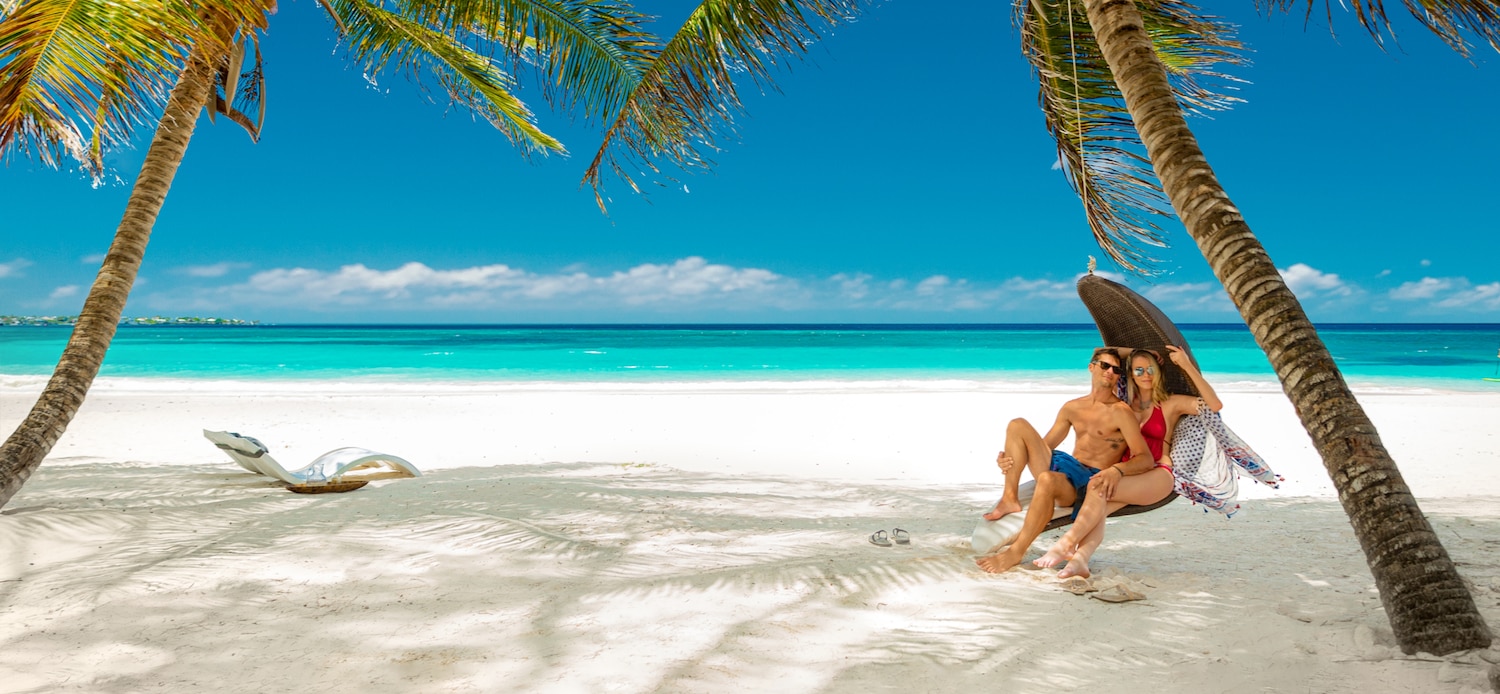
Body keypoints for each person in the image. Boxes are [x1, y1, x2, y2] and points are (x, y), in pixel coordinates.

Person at [1032, 345, 1223, 578]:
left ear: (1159, 371)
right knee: (1098, 507)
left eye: (1151, 369)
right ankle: (1080, 561)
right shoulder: (1125, 404)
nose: (1146, 375)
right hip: (1129, 473)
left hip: (1157, 473)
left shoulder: (1171, 403)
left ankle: (1063, 545)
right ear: (1130, 374)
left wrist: (1183, 363)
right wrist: (1136, 354)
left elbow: (1214, 405)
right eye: (1138, 370)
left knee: (1097, 486)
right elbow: (1099, 350)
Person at [976, 348, 1152, 574]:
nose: (1110, 372)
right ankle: (1009, 498)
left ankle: (1016, 552)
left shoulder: (1120, 412)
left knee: (1048, 479)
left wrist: (1117, 470)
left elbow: (1145, 458)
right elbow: (1045, 445)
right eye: (1104, 365)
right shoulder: (1072, 407)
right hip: (1064, 462)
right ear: (1091, 367)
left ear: (1120, 376)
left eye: (1116, 370)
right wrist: (1009, 459)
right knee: (1017, 424)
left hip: (1086, 480)